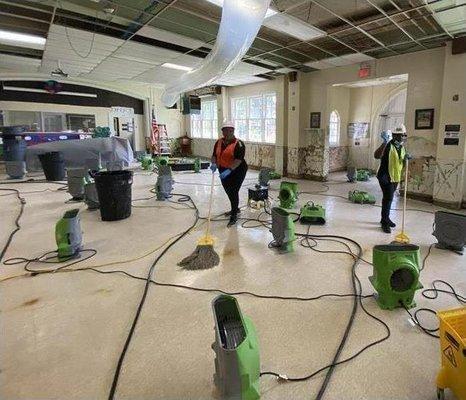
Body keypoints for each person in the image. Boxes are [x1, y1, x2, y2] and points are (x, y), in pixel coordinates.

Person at [210, 122, 248, 227]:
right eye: (224, 130)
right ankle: (235, 208)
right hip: (223, 169)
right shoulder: (218, 142)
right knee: (228, 190)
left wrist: (229, 170)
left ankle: (234, 215)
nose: (226, 132)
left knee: (233, 191)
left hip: (237, 170)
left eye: (229, 130)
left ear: (233, 131)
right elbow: (214, 155)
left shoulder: (239, 144)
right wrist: (213, 163)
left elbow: (238, 160)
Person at [374, 125, 409, 234]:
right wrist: (384, 142)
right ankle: (385, 222)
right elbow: (376, 155)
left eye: (403, 135)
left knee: (388, 198)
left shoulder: (402, 147)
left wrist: (405, 159)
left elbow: (401, 163)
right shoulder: (388, 145)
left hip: (395, 177)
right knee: (388, 198)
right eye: (400, 135)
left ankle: (385, 218)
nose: (402, 137)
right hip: (385, 176)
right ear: (394, 135)